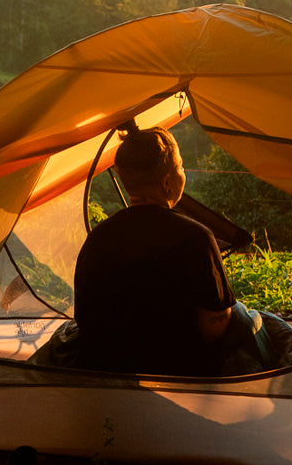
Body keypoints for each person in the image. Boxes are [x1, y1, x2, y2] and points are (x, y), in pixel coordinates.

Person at [72, 125, 236, 376]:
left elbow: (86, 317)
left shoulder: (98, 237)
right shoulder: (196, 237)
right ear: (167, 182)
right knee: (253, 320)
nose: (184, 172)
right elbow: (214, 324)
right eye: (180, 166)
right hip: (177, 368)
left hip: (104, 368)